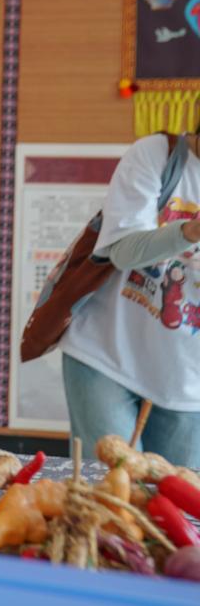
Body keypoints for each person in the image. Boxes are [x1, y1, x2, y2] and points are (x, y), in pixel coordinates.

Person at [60, 132, 200, 468]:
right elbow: (124, 252)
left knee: (176, 495)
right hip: (107, 356)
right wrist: (189, 232)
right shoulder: (159, 155)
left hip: (187, 382)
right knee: (109, 490)